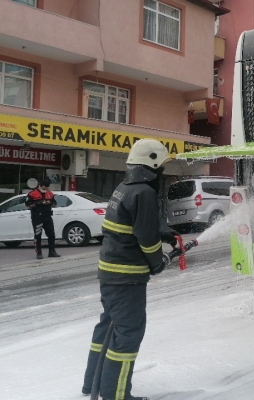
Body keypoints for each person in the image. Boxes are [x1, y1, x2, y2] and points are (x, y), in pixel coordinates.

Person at [81, 139, 180, 400]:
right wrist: (158, 263)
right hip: (126, 277)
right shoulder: (144, 193)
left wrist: (162, 233)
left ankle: (93, 384)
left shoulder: (124, 188)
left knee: (108, 325)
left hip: (110, 271)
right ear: (153, 165)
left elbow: (130, 226)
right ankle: (116, 394)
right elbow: (146, 241)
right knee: (129, 333)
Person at [25, 179, 60, 259]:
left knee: (51, 235)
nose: (46, 189)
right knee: (38, 235)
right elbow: (27, 204)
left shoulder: (50, 193)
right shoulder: (32, 193)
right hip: (37, 217)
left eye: (47, 187)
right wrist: (39, 203)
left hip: (47, 217)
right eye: (45, 187)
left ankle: (52, 252)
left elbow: (55, 203)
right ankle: (39, 253)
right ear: (41, 186)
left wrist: (50, 203)